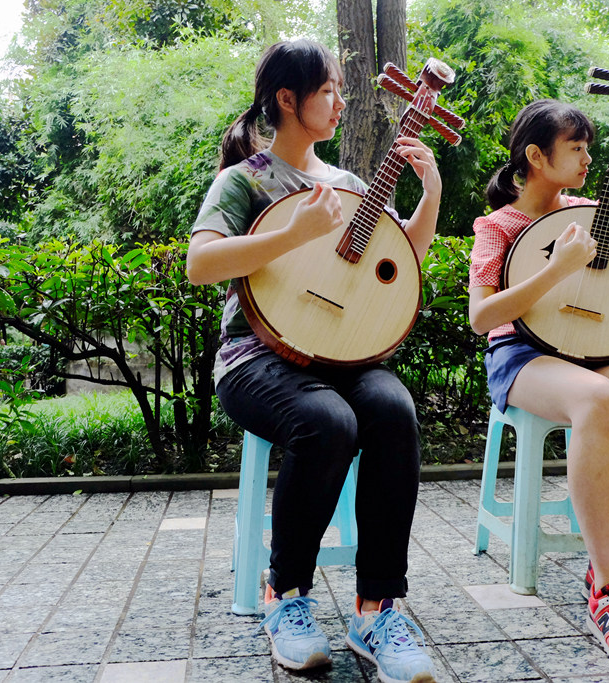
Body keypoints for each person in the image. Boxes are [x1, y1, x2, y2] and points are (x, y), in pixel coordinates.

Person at [186, 40, 441, 683]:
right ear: (288, 100)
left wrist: (430, 191)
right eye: (328, 90)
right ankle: (287, 595)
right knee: (329, 422)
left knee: (391, 408)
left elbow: (396, 259)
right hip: (255, 355)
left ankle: (377, 607)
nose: (340, 100)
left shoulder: (350, 185)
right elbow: (202, 264)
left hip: (343, 350)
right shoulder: (244, 180)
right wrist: (292, 234)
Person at [467, 99, 609, 670]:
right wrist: (558, 267)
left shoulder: (590, 212)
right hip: (522, 353)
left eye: (589, 147)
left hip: (591, 350)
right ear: (536, 156)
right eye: (577, 148)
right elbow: (480, 317)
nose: (588, 158)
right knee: (597, 400)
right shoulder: (496, 225)